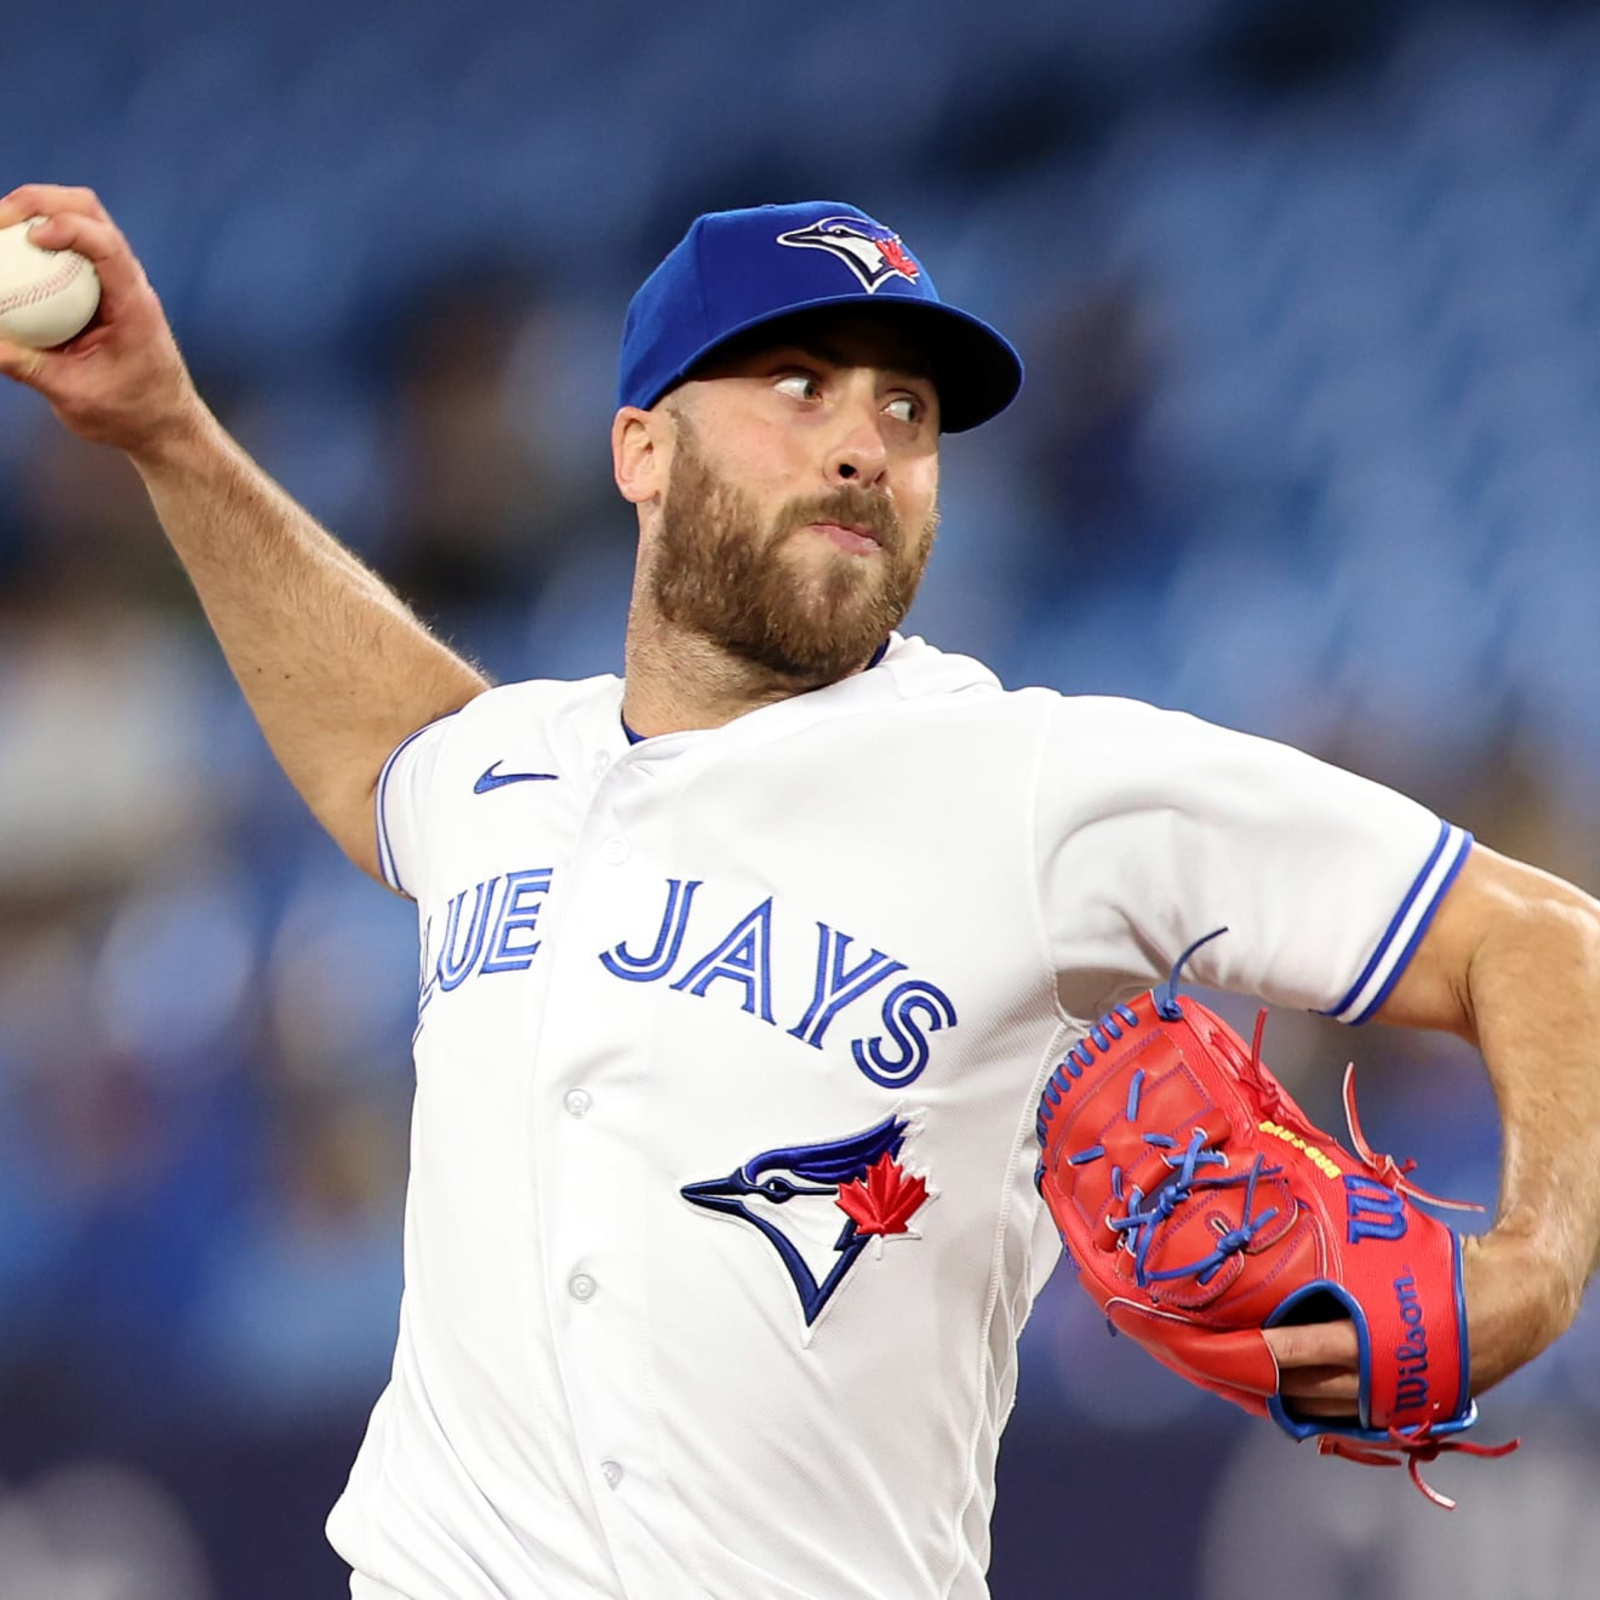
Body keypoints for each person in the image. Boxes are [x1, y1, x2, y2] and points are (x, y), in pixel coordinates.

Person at [2, 185, 1597, 1600]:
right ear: (640, 446)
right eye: (798, 383)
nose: (867, 440)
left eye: (911, 409)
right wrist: (165, 431)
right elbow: (385, 741)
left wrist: (1534, 1261)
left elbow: (1545, 942)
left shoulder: (1035, 783)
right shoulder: (501, 774)